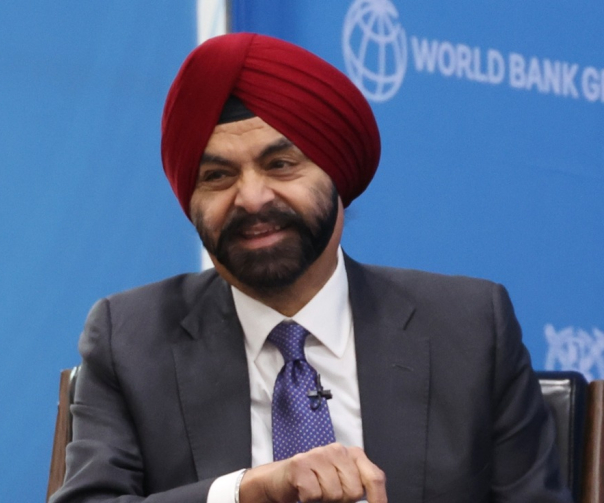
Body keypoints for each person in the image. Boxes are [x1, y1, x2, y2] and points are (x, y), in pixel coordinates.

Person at [50, 33, 572, 503]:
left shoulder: (470, 326)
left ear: (337, 174)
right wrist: (243, 493)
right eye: (217, 175)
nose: (251, 198)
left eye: (281, 164)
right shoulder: (129, 337)